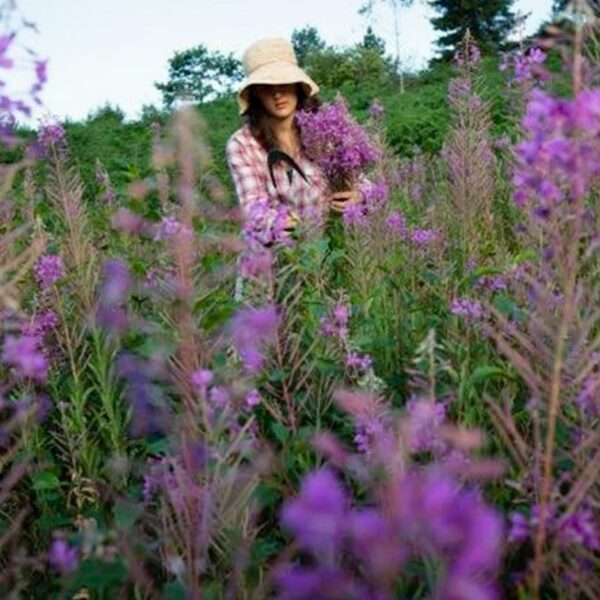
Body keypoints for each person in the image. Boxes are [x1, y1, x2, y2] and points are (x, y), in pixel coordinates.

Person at [226, 37, 361, 248]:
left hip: (333, 254)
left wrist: (358, 197)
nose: (277, 93)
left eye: (283, 82)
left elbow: (363, 182)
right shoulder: (243, 144)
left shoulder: (326, 130)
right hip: (278, 262)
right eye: (266, 86)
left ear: (297, 85)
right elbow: (255, 209)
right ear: (255, 95)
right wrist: (282, 222)